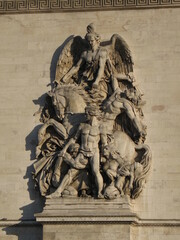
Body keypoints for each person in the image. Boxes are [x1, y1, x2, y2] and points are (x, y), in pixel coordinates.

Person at [49, 105, 107, 198]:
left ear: (92, 114)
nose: (85, 116)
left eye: (86, 114)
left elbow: (104, 144)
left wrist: (105, 155)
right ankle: (58, 192)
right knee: (71, 171)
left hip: (94, 152)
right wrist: (64, 149)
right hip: (82, 152)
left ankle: (100, 193)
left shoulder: (101, 127)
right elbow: (74, 139)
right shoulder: (82, 126)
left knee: (96, 171)